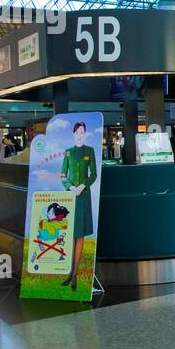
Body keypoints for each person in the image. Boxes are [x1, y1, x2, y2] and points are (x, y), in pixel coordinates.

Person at [59, 121, 98, 289]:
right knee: (70, 235)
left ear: (85, 134)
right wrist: (70, 186)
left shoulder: (90, 151)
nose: (80, 135)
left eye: (83, 132)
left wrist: (83, 185)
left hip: (84, 197)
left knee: (80, 235)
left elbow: (94, 174)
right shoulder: (68, 152)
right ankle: (69, 272)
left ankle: (74, 275)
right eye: (77, 132)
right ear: (74, 134)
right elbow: (62, 174)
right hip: (71, 197)